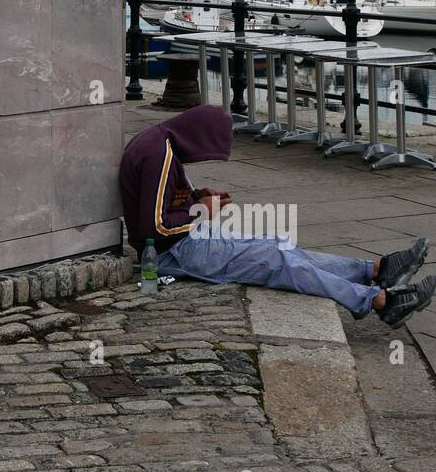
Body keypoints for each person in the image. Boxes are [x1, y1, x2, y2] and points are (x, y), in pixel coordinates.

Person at [120, 104, 434, 328]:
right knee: (276, 262)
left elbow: (165, 203)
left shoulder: (162, 143)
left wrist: (197, 197)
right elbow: (154, 226)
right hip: (170, 254)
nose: (201, 157)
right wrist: (202, 211)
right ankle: (380, 301)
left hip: (185, 240)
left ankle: (376, 269)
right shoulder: (159, 153)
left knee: (279, 245)